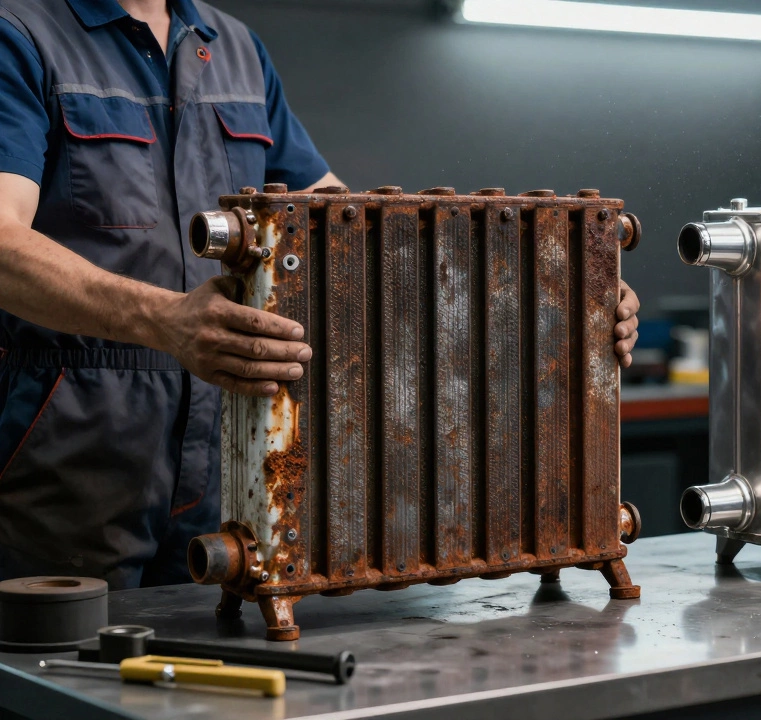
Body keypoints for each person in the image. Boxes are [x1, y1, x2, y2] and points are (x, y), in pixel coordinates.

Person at [0, 0, 641, 589]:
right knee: (60, 677)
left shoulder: (234, 50)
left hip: (228, 450)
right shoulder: (23, 33)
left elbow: (350, 234)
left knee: (211, 686)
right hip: (73, 446)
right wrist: (166, 320)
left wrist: (561, 299)